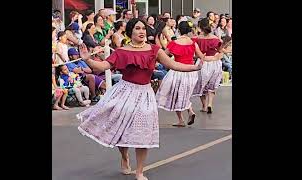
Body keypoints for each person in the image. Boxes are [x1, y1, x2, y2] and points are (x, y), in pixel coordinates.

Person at [76, 18, 203, 180]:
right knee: (121, 128)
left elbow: (174, 65)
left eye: (143, 28)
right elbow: (103, 66)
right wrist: (87, 59)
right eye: (137, 28)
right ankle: (124, 155)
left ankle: (140, 171)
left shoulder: (154, 50)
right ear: (130, 32)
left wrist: (194, 67)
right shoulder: (122, 51)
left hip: (145, 94)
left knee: (143, 131)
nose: (142, 31)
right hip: (125, 91)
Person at [156, 21, 222, 127]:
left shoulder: (174, 43)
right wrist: (214, 57)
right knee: (184, 93)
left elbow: (163, 55)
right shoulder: (193, 43)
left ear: (178, 30)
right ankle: (188, 112)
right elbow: (202, 56)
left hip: (177, 71)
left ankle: (182, 119)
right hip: (191, 71)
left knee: (177, 95)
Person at [193, 18, 224, 114]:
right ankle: (210, 104)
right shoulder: (215, 38)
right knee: (212, 85)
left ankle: (204, 106)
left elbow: (195, 53)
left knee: (202, 85)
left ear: (200, 27)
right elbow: (221, 51)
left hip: (203, 62)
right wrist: (215, 58)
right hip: (214, 62)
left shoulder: (196, 39)